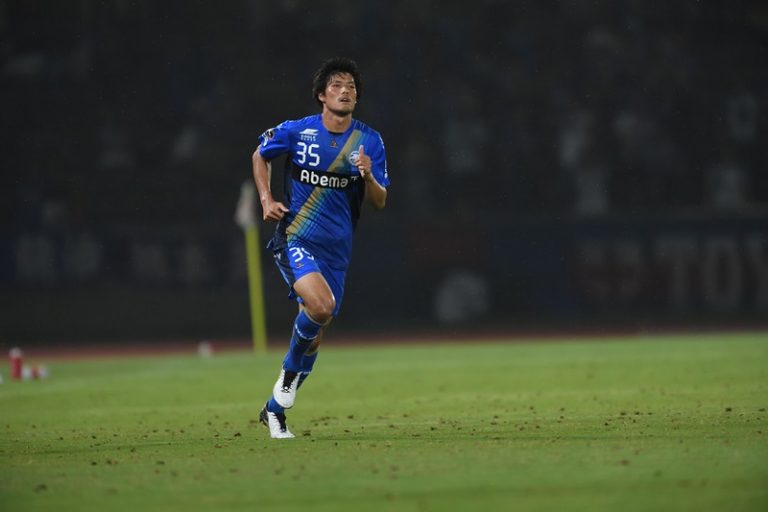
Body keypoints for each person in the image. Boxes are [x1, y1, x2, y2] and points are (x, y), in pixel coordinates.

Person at [252, 58, 389, 439]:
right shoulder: (298, 131)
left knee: (314, 333)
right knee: (321, 306)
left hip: (336, 250)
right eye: (337, 86)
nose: (345, 91)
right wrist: (266, 199)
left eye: (351, 87)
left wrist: (369, 176)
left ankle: (274, 410)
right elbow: (260, 154)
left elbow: (379, 201)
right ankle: (285, 383)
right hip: (296, 236)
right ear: (321, 96)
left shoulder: (369, 142)